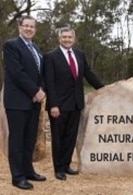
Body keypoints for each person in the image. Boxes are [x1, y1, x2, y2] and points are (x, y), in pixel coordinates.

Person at [43, 26, 104, 181]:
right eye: (64, 37)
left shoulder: (79, 55)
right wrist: (53, 105)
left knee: (71, 137)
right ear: (59, 38)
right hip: (59, 105)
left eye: (70, 37)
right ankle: (58, 169)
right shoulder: (50, 57)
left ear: (73, 38)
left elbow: (88, 74)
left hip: (76, 103)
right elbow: (49, 82)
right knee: (58, 138)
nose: (67, 39)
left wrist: (105, 89)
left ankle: (66, 165)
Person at [2, 15, 46, 190]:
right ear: (19, 27)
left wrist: (41, 90)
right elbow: (17, 73)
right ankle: (17, 177)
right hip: (17, 102)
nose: (29, 29)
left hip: (34, 102)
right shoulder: (11, 46)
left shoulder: (36, 48)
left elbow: (40, 73)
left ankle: (28, 171)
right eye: (26, 26)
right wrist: (35, 91)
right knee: (17, 140)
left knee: (29, 140)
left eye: (32, 26)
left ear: (35, 29)